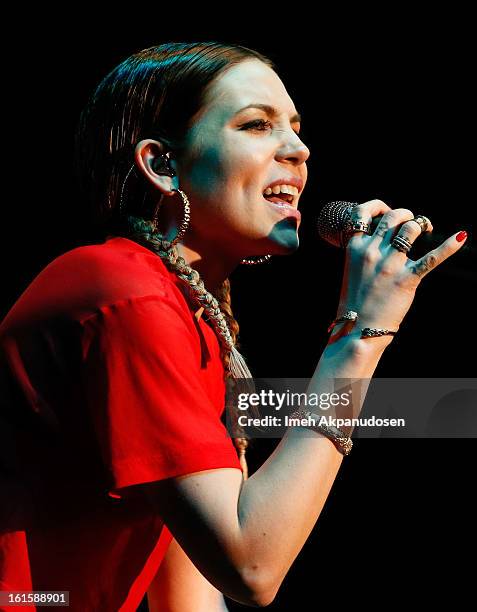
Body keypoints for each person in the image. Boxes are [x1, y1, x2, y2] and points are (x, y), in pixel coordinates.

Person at [0, 41, 467, 611]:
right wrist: (359, 336)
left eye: (295, 128)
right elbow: (251, 564)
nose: (299, 149)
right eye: (256, 125)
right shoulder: (122, 292)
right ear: (162, 164)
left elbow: (188, 588)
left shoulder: (189, 314)